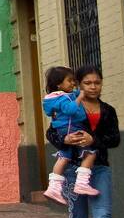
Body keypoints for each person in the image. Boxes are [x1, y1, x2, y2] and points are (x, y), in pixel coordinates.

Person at [52, 66, 124, 218]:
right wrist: (64, 141)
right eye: (88, 83)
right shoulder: (68, 107)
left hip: (99, 169)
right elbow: (53, 132)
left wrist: (93, 140)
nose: (93, 87)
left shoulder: (108, 110)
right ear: (79, 84)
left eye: (97, 82)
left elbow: (114, 139)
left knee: (103, 217)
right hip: (72, 170)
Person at [42, 66, 99, 203]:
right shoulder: (64, 98)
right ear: (59, 84)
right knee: (90, 153)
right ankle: (82, 184)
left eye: (74, 80)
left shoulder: (54, 98)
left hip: (63, 129)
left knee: (63, 157)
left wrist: (81, 92)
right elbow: (70, 110)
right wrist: (79, 97)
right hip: (72, 128)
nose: (73, 83)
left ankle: (53, 188)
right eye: (70, 80)